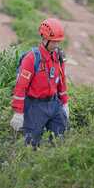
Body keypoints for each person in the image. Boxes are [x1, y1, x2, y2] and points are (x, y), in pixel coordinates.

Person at [10, 18, 69, 149]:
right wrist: (18, 113)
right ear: (44, 39)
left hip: (54, 104)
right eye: (54, 42)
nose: (56, 45)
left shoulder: (58, 56)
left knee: (60, 140)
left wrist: (65, 103)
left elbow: (62, 81)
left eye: (58, 42)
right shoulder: (31, 58)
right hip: (35, 107)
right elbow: (20, 87)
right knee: (31, 145)